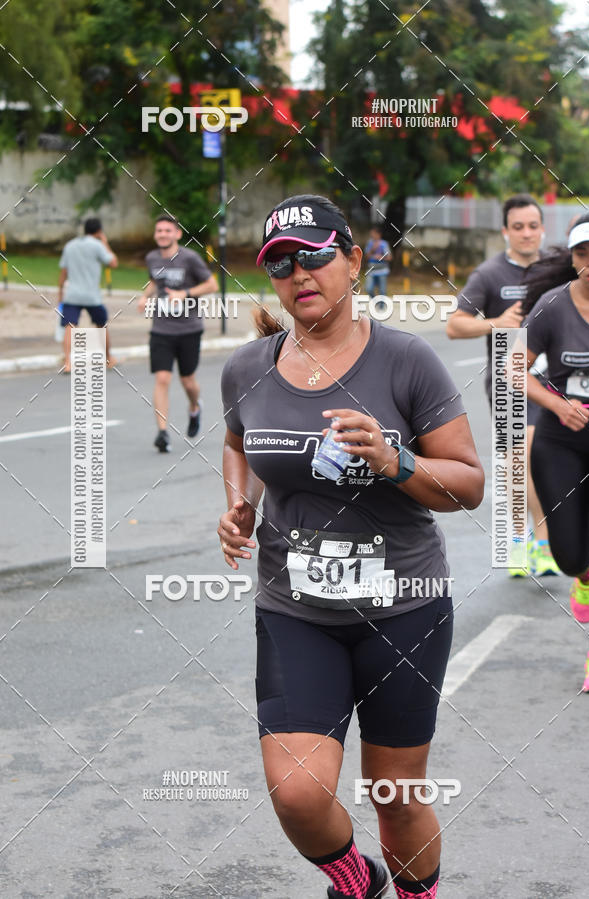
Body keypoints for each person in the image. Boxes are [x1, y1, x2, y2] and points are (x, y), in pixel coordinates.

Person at [219, 194, 485, 898]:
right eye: (280, 263)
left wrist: (397, 460)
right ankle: (357, 881)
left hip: (403, 609)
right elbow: (237, 442)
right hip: (295, 608)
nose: (298, 273)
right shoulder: (248, 367)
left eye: (313, 255)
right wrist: (238, 505)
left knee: (395, 798)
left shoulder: (405, 360)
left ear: (353, 259)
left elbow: (467, 484)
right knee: (299, 795)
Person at [446, 193, 560, 578]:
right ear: (505, 232)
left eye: (532, 226)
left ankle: (533, 542)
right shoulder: (490, 274)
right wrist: (497, 322)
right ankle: (530, 543)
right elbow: (455, 325)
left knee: (531, 462)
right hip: (508, 380)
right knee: (520, 459)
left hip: (553, 379)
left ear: (542, 229)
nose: (526, 234)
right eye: (518, 227)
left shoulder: (559, 267)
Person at [522, 211, 589, 693]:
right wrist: (556, 402)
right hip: (560, 440)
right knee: (571, 555)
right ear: (571, 259)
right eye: (583, 253)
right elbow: (514, 369)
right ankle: (582, 573)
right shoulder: (552, 306)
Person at [137, 215, 217, 452]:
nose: (163, 234)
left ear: (177, 234)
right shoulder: (152, 258)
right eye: (159, 230)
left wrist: (185, 294)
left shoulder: (189, 258)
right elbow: (155, 281)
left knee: (187, 381)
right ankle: (162, 432)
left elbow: (212, 285)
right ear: (155, 234)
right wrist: (144, 296)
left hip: (189, 329)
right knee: (162, 378)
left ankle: (195, 407)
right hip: (161, 329)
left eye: (167, 231)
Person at [58, 217, 118, 373]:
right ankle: (108, 359)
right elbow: (113, 263)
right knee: (101, 326)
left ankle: (67, 363)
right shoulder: (98, 245)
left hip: (72, 294)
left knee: (69, 327)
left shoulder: (70, 245)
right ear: (99, 231)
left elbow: (63, 272)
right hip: (92, 296)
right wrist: (105, 242)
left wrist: (60, 293)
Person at [364, 225, 392, 298]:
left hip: (382, 270)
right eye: (371, 234)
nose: (372, 235)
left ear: (378, 234)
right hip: (371, 270)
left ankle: (382, 307)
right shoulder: (369, 243)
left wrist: (380, 257)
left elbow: (389, 257)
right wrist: (373, 249)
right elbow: (366, 257)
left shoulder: (384, 244)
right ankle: (375, 300)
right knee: (368, 288)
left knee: (382, 291)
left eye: (373, 234)